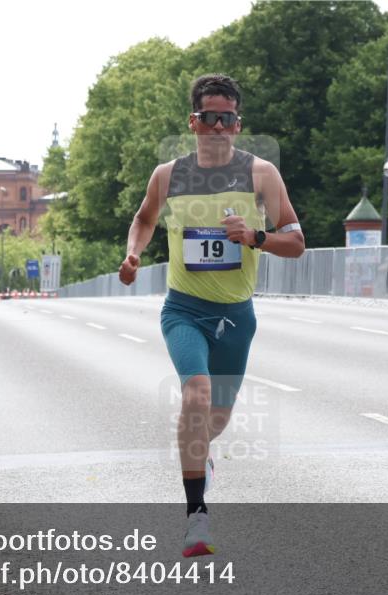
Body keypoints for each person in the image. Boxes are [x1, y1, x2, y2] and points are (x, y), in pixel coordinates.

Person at [119, 74, 304, 557]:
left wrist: (256, 238)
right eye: (208, 118)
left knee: (213, 421)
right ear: (193, 123)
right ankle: (196, 518)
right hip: (184, 309)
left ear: (238, 125)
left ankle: (201, 459)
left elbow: (297, 242)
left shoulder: (262, 174)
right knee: (195, 397)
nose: (218, 127)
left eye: (227, 119)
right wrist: (135, 253)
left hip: (237, 316)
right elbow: (143, 218)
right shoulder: (168, 175)